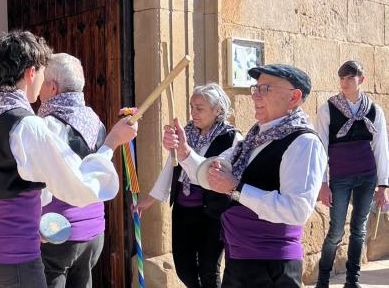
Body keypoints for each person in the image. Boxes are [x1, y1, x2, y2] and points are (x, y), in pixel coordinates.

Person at [0, 31, 138, 288]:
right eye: (41, 72)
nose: (42, 83)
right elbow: (78, 187)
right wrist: (109, 147)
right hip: (10, 255)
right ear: (30, 72)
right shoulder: (26, 125)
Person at [163, 64, 327, 287]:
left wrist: (236, 188)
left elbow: (296, 210)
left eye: (266, 89)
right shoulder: (254, 138)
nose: (256, 96)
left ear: (294, 97)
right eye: (256, 88)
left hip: (271, 265)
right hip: (239, 258)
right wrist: (184, 152)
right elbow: (211, 174)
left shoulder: (304, 142)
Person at [136, 83, 241, 288]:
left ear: (217, 110)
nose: (193, 113)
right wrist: (151, 198)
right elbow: (172, 166)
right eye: (191, 107)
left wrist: (184, 150)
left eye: (199, 108)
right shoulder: (188, 132)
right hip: (184, 210)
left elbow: (209, 175)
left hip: (212, 212)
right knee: (184, 269)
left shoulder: (232, 138)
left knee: (208, 271)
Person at [36, 53, 109, 288]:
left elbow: (40, 183)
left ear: (53, 88)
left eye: (42, 81)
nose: (37, 88)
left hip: (56, 232)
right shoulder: (95, 120)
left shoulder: (47, 125)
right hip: (94, 231)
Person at [315, 60, 389, 288]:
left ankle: (352, 280)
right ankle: (323, 279)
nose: (345, 83)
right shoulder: (328, 108)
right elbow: (320, 148)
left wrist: (383, 186)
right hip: (340, 179)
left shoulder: (374, 110)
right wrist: (323, 183)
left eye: (350, 78)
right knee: (336, 231)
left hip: (367, 177)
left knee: (359, 230)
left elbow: (381, 148)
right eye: (342, 78)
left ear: (361, 80)